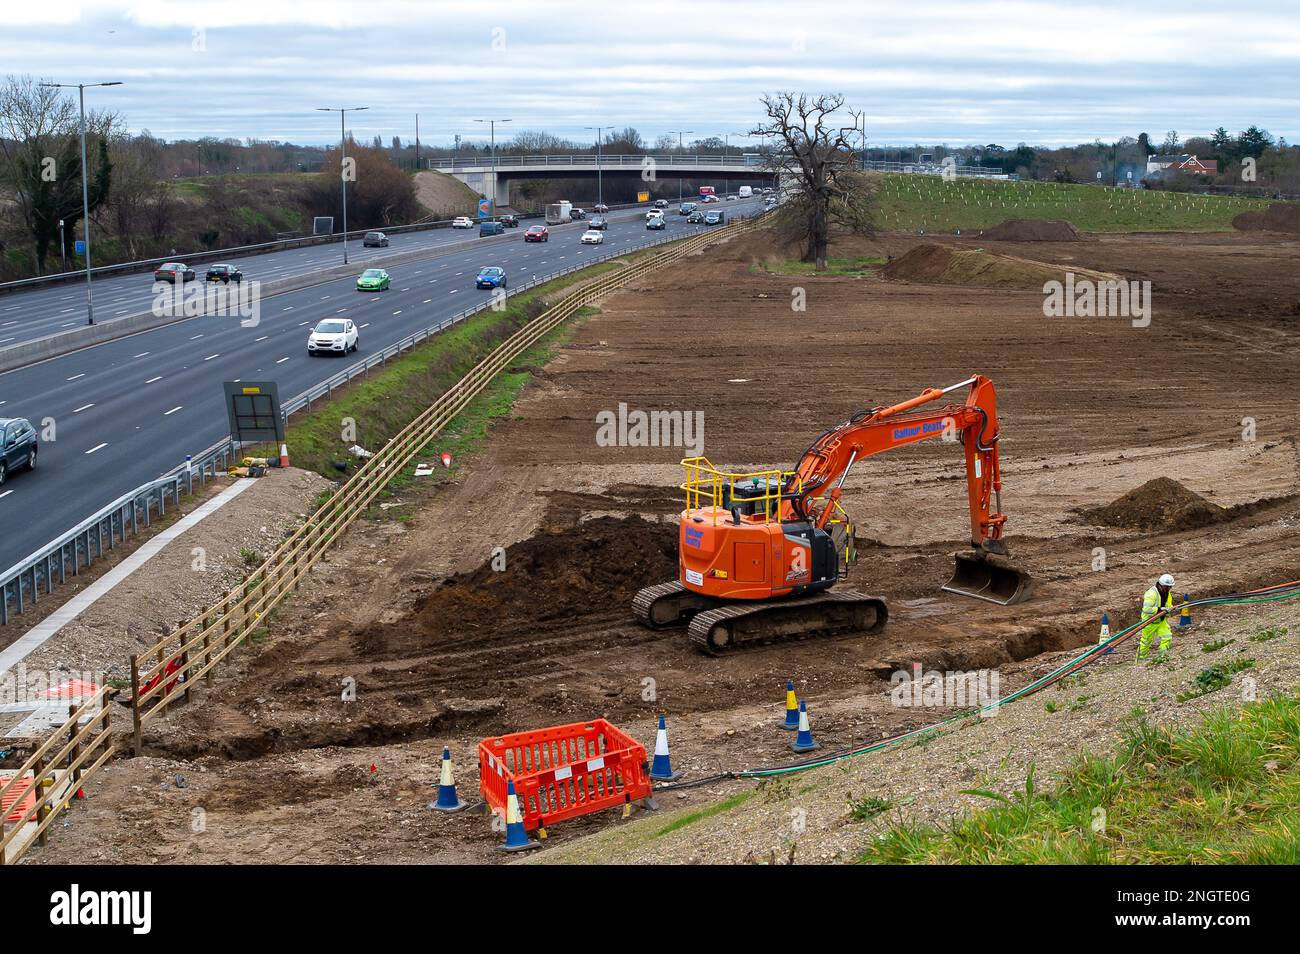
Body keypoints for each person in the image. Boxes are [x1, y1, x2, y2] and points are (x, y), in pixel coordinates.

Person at [1138, 573, 1176, 659]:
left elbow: (1168, 606)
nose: (1169, 589)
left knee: (1167, 636)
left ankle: (1162, 657)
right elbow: (1146, 610)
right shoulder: (1151, 594)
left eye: (1170, 587)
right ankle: (1140, 661)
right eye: (1168, 587)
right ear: (1162, 585)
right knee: (1145, 643)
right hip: (1149, 622)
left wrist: (1171, 609)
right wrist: (1161, 609)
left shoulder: (1167, 594)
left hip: (1160, 621)